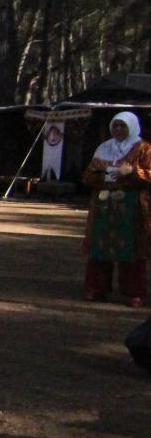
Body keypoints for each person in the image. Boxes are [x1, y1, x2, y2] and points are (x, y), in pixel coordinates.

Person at [81, 111, 151, 306]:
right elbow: (87, 176)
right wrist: (100, 174)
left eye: (123, 126)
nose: (119, 130)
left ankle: (133, 293)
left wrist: (133, 171)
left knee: (131, 248)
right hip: (104, 205)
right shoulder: (104, 148)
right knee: (100, 247)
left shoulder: (144, 149)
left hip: (132, 205)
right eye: (116, 126)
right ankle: (97, 289)